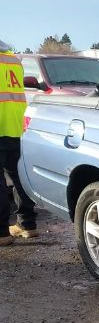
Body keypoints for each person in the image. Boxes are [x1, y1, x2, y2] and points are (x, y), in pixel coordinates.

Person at [0, 39, 37, 246]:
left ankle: (2, 232)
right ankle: (27, 224)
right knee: (18, 175)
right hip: (16, 124)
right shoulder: (13, 59)